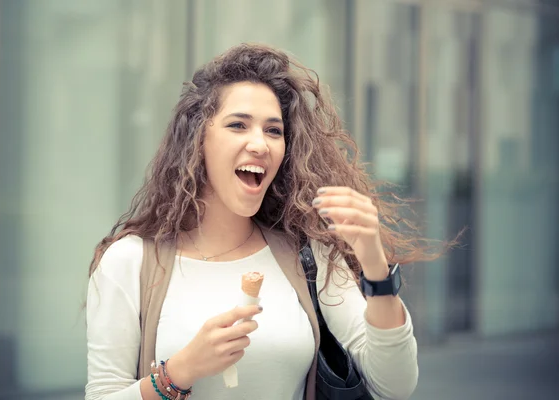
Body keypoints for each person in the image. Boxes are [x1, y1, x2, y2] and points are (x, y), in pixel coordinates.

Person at [85, 43, 437, 400]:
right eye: (238, 125)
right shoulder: (130, 262)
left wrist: (375, 267)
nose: (260, 144)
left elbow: (395, 386)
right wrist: (179, 372)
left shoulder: (306, 254)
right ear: (198, 140)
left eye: (273, 130)